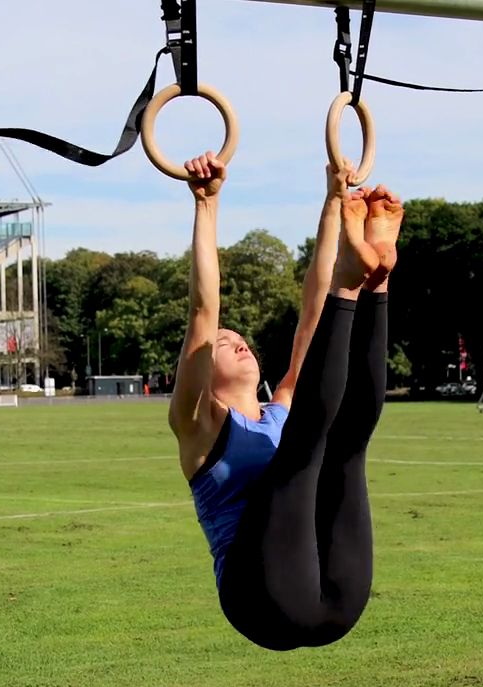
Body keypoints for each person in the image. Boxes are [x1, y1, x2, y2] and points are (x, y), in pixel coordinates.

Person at [168, 151, 404, 651]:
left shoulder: (284, 405)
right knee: (303, 452)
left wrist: (337, 200)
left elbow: (314, 310)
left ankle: (377, 283)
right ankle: (357, 281)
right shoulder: (200, 427)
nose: (237, 342)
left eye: (239, 339)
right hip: (260, 600)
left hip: (336, 598)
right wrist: (206, 206)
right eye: (224, 343)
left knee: (345, 445)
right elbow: (203, 311)